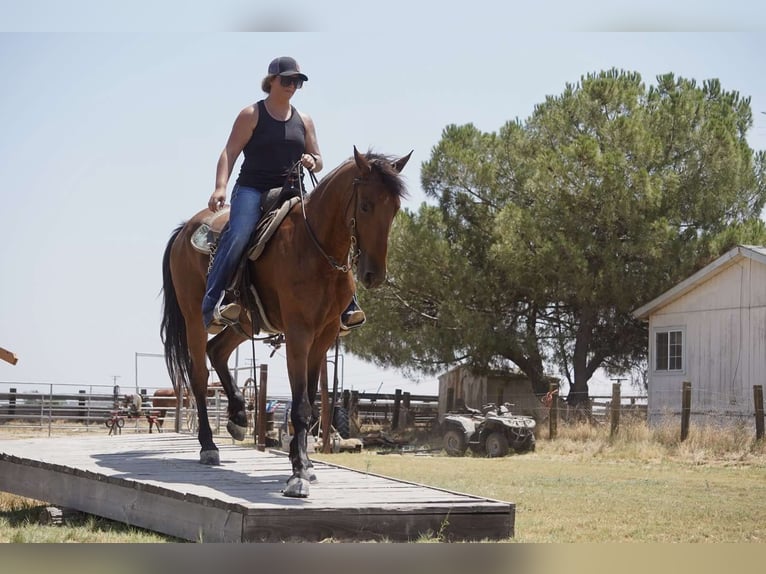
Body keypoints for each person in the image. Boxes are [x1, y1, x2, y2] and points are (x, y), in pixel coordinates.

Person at [202, 56, 366, 335]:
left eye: (297, 82)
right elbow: (229, 152)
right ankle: (214, 303)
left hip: (293, 190)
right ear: (271, 81)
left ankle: (346, 304)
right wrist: (220, 186)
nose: (292, 86)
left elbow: (318, 157)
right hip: (254, 189)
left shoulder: (304, 120)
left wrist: (313, 162)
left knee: (329, 230)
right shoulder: (251, 114)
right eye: (287, 80)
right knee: (240, 232)